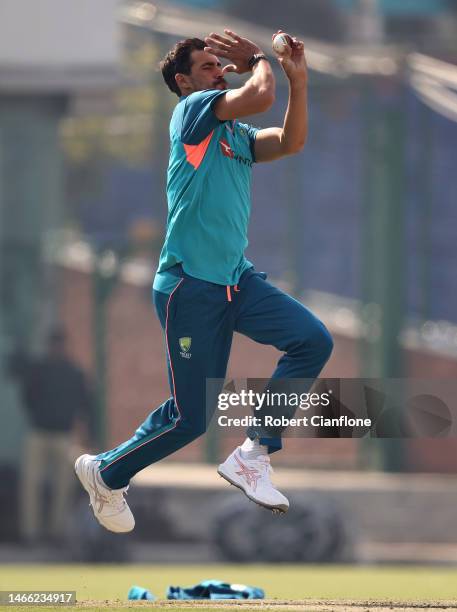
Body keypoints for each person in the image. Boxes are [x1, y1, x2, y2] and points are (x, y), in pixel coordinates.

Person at [75, 29, 333, 533]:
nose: (220, 71)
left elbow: (290, 141)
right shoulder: (192, 112)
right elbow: (258, 94)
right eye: (209, 67)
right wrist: (260, 59)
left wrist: (297, 81)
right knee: (190, 419)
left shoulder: (232, 134)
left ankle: (255, 451)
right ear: (184, 81)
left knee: (311, 340)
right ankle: (106, 471)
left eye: (221, 65)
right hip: (189, 286)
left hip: (235, 280)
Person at [10, 328, 93, 543]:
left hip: (62, 435)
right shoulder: (39, 370)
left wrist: (86, 435)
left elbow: (85, 404)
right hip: (38, 432)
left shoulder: (74, 373)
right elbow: (27, 397)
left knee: (62, 487)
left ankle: (55, 532)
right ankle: (30, 533)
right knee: (31, 484)